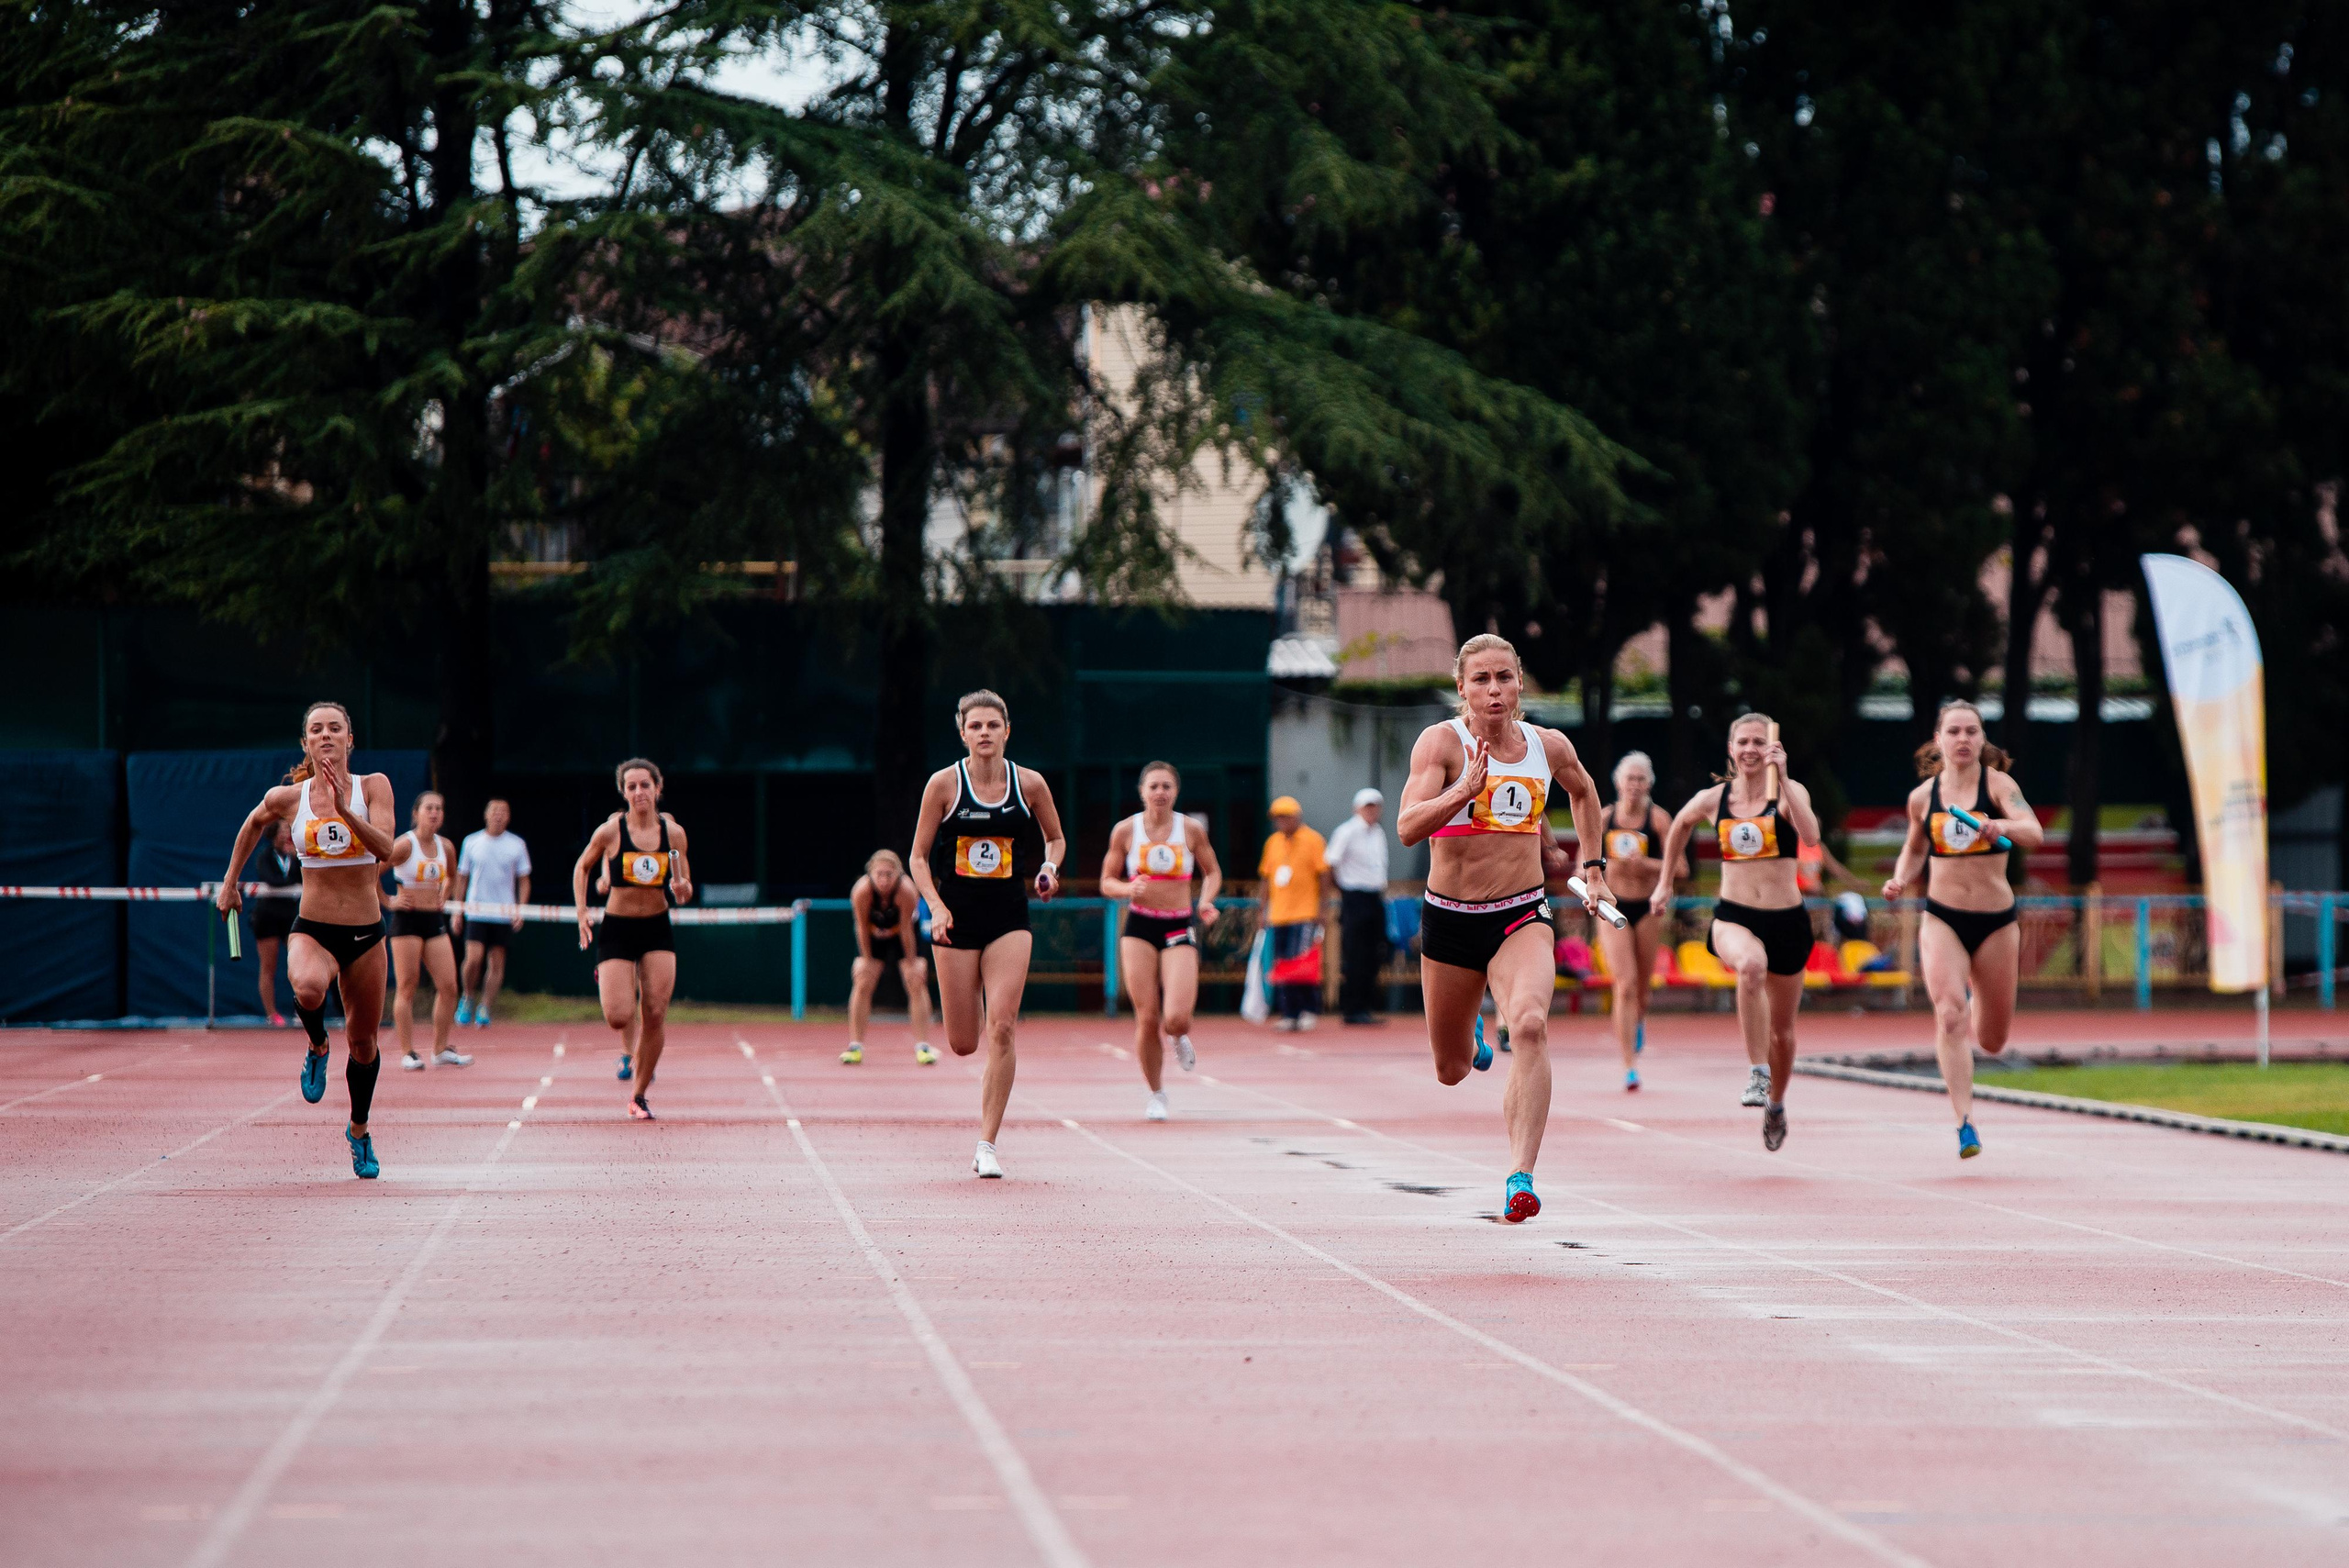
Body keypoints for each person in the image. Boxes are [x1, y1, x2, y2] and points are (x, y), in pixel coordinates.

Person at [1396, 634, 1613, 1223]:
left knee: (1533, 1025)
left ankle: (1521, 1175)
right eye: (1481, 680)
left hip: (1521, 913)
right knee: (1451, 1069)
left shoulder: (1548, 745)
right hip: (1451, 919)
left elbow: (1586, 793)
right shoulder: (1442, 742)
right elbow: (1408, 827)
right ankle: (1473, 1038)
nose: (1494, 691)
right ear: (1462, 688)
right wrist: (1463, 791)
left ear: (1520, 684)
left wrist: (1594, 870)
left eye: (1505, 679)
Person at [214, 700, 396, 1179]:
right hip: (313, 928)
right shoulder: (288, 798)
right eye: (317, 730)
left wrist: (344, 811)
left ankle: (358, 1131)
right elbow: (253, 823)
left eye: (336, 728)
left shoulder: (373, 787)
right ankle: (317, 1046)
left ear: (350, 740)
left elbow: (386, 849)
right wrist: (230, 881)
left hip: (366, 934)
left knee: (363, 1044)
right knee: (309, 987)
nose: (326, 736)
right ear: (306, 743)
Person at [907, 690, 1067, 1180]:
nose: (983, 733)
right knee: (961, 1043)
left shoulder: (1031, 784)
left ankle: (987, 1144)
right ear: (962, 733)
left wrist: (1048, 869)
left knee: (1002, 1026)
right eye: (974, 726)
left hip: (1008, 919)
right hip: (954, 920)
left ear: (1006, 730)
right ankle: (966, 998)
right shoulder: (943, 785)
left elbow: (1056, 839)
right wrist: (934, 906)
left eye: (992, 725)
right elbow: (917, 856)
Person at [1882, 700, 2043, 1159]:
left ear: (1982, 738)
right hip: (1942, 917)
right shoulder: (1922, 799)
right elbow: (1914, 850)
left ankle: (1977, 1013)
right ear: (1939, 739)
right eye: (1953, 731)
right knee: (1950, 1013)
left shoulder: (1999, 786)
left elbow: (2034, 832)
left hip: (1996, 924)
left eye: (1972, 731)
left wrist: (2000, 825)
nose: (1963, 740)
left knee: (1992, 1039)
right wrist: (1900, 878)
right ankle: (1964, 1123)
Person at [1656, 714, 1822, 1151]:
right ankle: (1756, 1072)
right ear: (1731, 749)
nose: (1750, 749)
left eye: (1759, 742)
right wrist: (1665, 882)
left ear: (1772, 748)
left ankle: (1778, 1103)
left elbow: (1811, 835)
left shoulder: (1787, 794)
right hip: (1735, 916)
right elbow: (1679, 825)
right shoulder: (1715, 798)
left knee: (1783, 1034)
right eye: (1743, 742)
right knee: (1750, 966)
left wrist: (1784, 779)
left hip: (1787, 920)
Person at [1099, 762, 1223, 1120]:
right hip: (1139, 927)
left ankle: (1179, 1034)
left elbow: (1212, 871)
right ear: (1142, 792)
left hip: (1178, 924)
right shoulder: (1125, 831)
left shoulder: (1190, 829)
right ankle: (1156, 1093)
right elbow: (1106, 881)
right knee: (1146, 1016)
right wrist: (1126, 888)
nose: (1160, 793)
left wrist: (1206, 900)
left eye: (1166, 786)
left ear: (1176, 792)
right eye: (1153, 786)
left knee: (1176, 1018)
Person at [573, 759, 692, 1119]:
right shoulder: (611, 832)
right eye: (632, 787)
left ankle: (638, 1096)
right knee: (619, 1016)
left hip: (656, 927)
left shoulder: (674, 834)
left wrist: (682, 887)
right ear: (623, 792)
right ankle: (610, 977)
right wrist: (582, 912)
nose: (639, 792)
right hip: (618, 928)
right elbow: (582, 867)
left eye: (645, 785)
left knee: (655, 1012)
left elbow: (684, 888)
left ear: (658, 788)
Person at [1597, 752, 1674, 1092]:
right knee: (1624, 983)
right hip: (1613, 906)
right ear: (1618, 782)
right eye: (1630, 779)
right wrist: (1593, 882)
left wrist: (1647, 864)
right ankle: (1629, 1065)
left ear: (1649, 784)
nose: (1635, 785)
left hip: (1647, 906)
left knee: (1641, 989)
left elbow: (1679, 869)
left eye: (1641, 779)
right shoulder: (1604, 818)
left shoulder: (1658, 820)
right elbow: (1585, 864)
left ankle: (1638, 1018)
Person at [386, 791, 471, 1072]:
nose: (434, 813)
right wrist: (389, 900)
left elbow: (453, 875)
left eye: (439, 808)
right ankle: (407, 1051)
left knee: (449, 986)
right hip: (406, 922)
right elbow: (372, 871)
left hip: (433, 921)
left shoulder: (445, 846)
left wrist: (446, 895)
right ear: (416, 813)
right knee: (407, 985)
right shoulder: (404, 846)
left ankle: (440, 1048)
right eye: (429, 808)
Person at [843, 849, 937, 1066]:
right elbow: (861, 926)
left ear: (898, 875)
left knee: (915, 979)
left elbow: (905, 929)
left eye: (889, 874)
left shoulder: (906, 891)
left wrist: (912, 962)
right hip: (873, 935)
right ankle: (855, 1045)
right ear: (870, 874)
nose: (884, 880)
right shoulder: (861, 892)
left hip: (904, 935)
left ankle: (923, 1046)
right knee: (863, 978)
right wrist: (866, 959)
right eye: (879, 874)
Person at [453, 798, 529, 1029]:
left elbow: (524, 880)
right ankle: (467, 996)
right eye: (494, 811)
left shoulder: (517, 844)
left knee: (496, 963)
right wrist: (458, 910)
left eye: (503, 812)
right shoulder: (472, 842)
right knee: (473, 960)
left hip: (503, 912)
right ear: (486, 815)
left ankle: (485, 1006)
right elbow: (462, 877)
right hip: (476, 911)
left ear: (508, 817)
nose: (498, 815)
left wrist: (520, 909)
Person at [1257, 797, 1330, 1029]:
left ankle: (1308, 1009)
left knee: (1303, 964)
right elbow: (1266, 877)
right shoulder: (1273, 842)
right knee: (1283, 965)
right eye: (1278, 818)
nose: (1281, 822)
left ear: (1296, 816)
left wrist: (1322, 908)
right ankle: (1289, 1013)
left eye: (1285, 816)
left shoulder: (1313, 840)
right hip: (1278, 914)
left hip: (1305, 912)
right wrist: (1262, 910)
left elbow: (1324, 875)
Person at [1326, 787, 1391, 1025]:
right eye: (1367, 806)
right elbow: (1331, 863)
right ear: (1358, 808)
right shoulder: (1347, 831)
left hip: (1374, 897)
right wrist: (1343, 890)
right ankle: (1352, 1008)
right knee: (1355, 953)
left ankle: (1364, 1006)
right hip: (1354, 897)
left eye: (1375, 807)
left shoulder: (1378, 833)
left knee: (1374, 952)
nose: (1372, 811)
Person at [246, 819, 301, 1026]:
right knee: (268, 967)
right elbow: (270, 880)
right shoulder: (265, 856)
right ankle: (272, 1014)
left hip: (290, 917)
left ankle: (302, 1012)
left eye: (288, 830)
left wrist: (297, 858)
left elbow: (305, 879)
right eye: (284, 830)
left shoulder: (295, 857)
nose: (287, 833)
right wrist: (291, 883)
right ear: (275, 834)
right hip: (267, 916)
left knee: (297, 965)